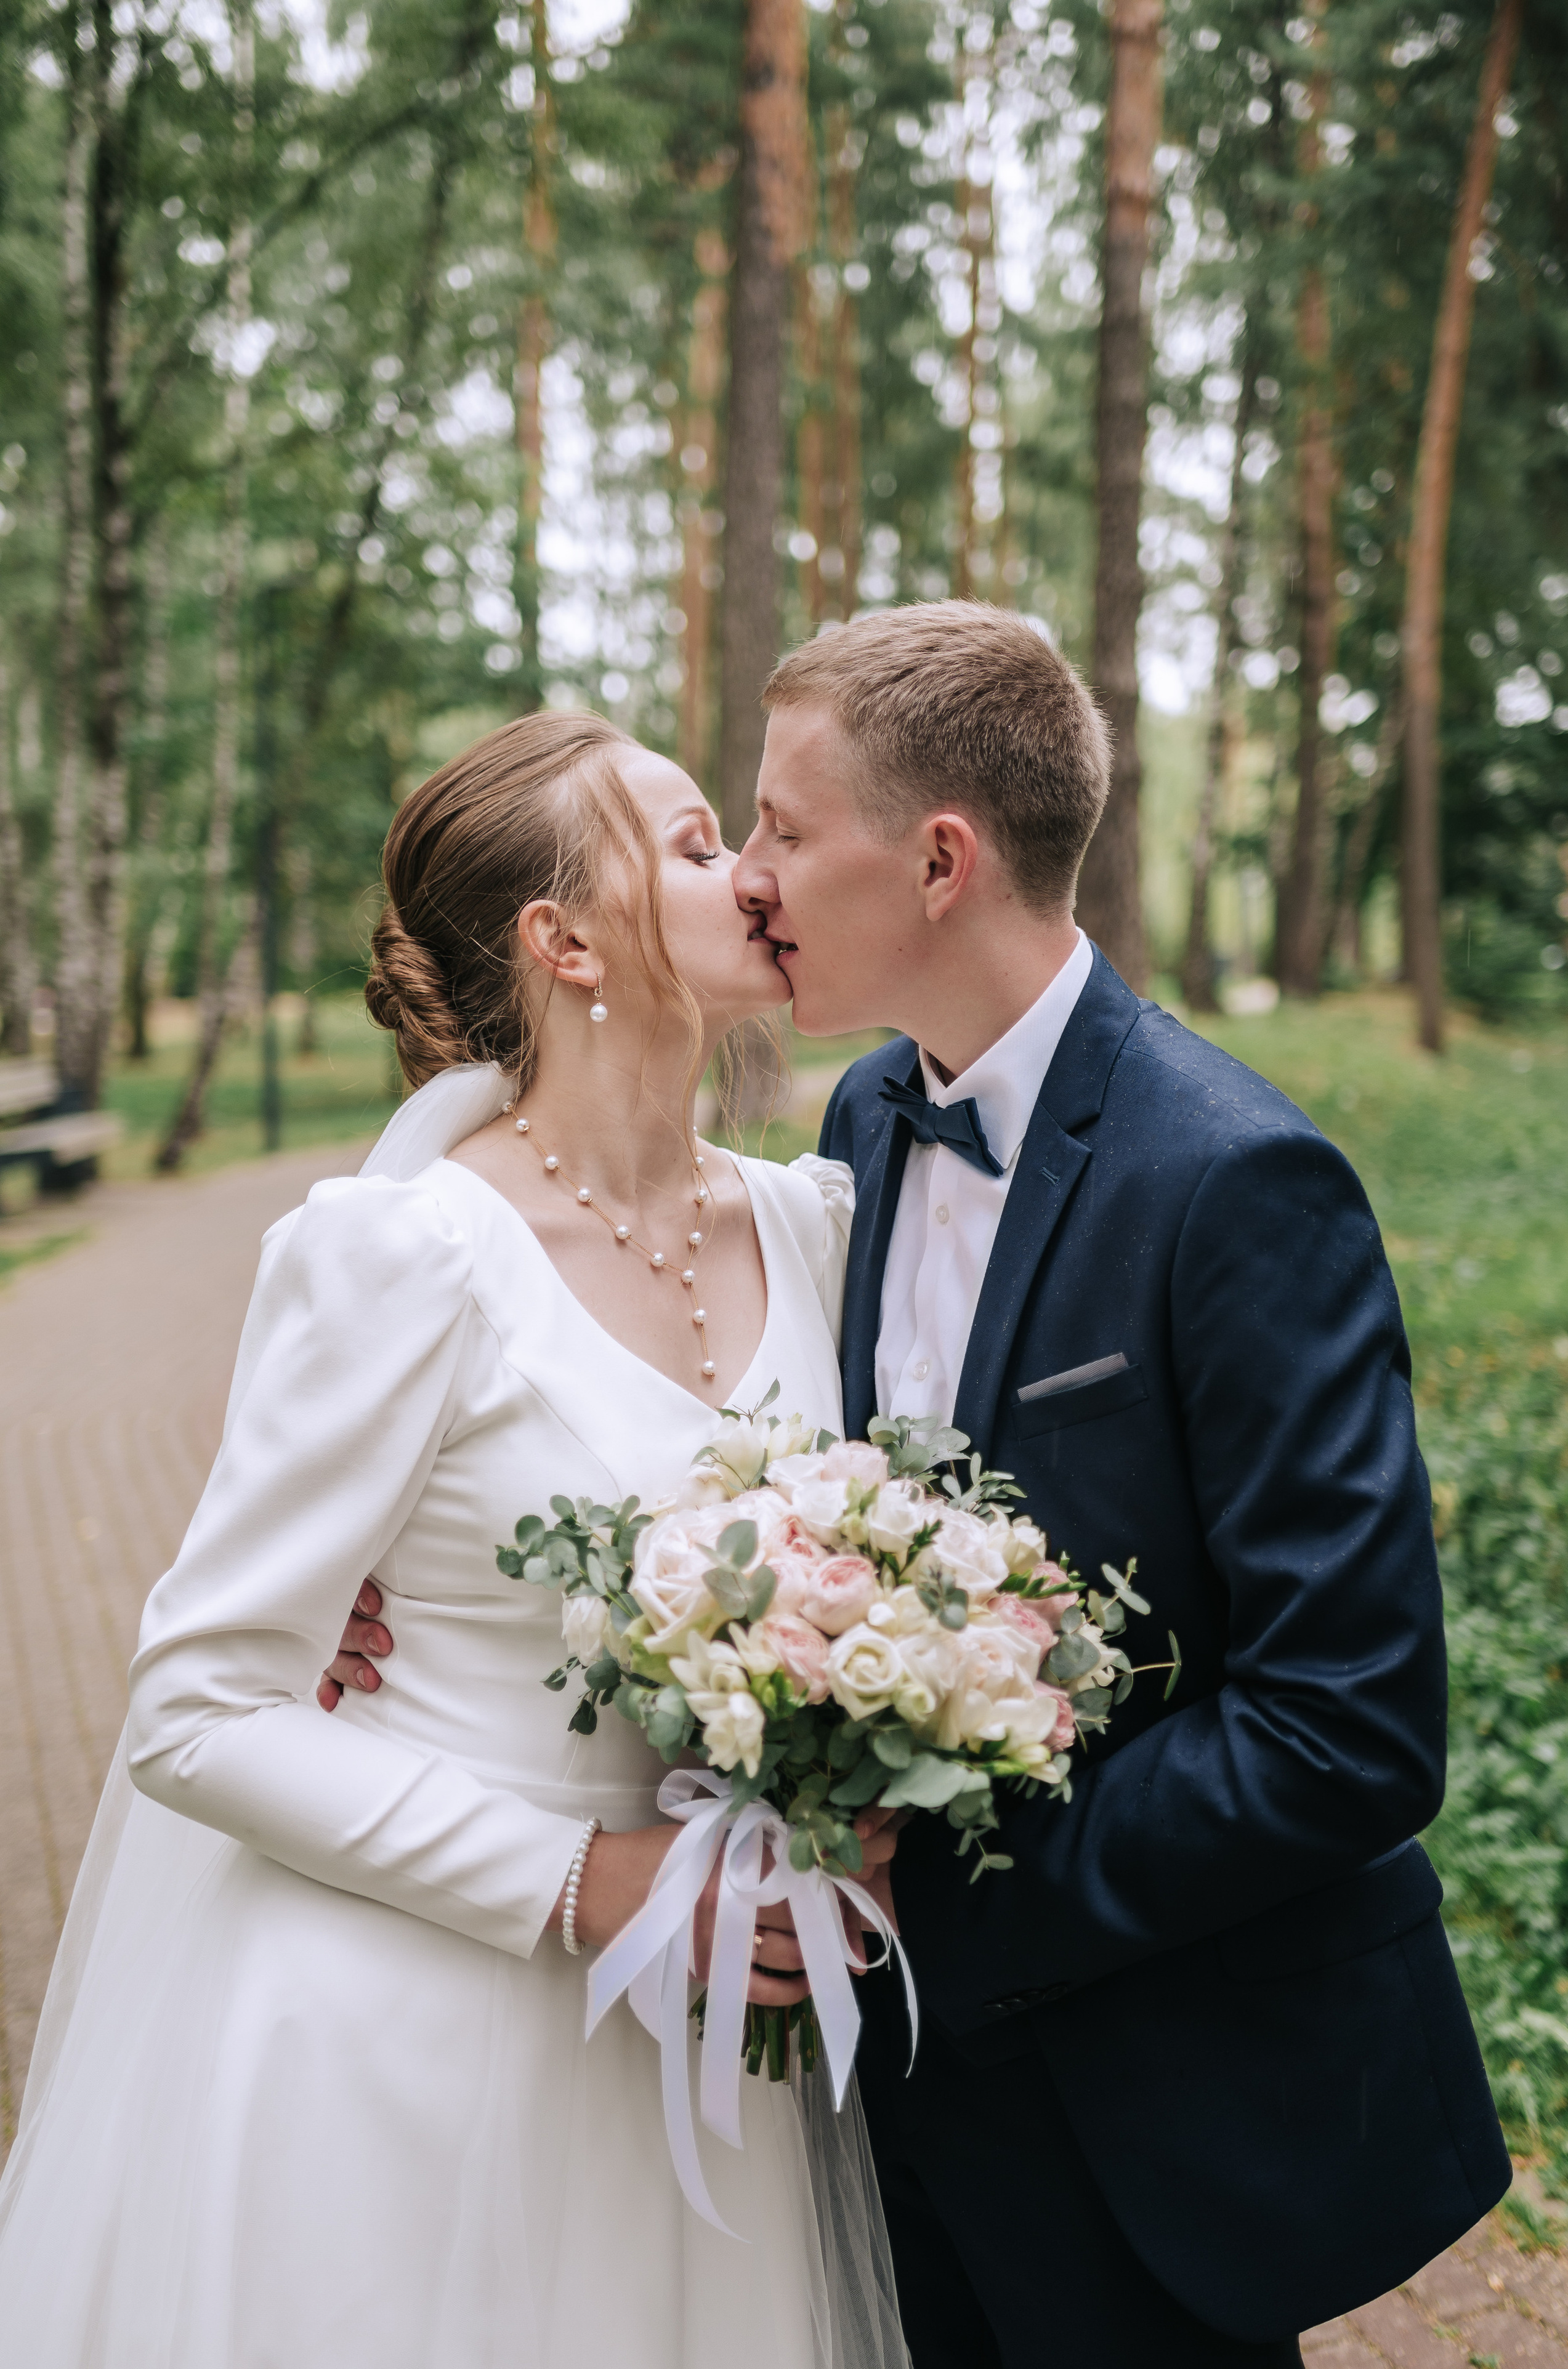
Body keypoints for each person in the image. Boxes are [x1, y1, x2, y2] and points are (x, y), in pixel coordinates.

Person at [0, 712, 905, 2369]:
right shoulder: (405, 1255)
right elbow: (196, 1707)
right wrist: (591, 1881)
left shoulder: (815, 1223)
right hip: (409, 2047)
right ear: (566, 943)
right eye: (696, 844)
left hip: (701, 2066)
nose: (751, 876)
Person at [725, 599, 1511, 2366]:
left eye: (783, 826)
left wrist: (944, 1896)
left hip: (1153, 2108)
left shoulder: (1238, 1182)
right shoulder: (863, 1123)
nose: (753, 876)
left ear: (940, 861)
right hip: (887, 2109)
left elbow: (1352, 1725)